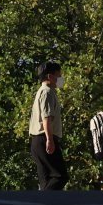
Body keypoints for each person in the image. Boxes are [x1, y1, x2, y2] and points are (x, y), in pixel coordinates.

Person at [28, 61, 68, 191]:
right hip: (44, 138)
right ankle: (46, 200)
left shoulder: (42, 92)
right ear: (50, 77)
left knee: (45, 180)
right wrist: (50, 140)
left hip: (37, 140)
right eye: (59, 76)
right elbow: (46, 118)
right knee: (60, 176)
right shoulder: (47, 92)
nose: (61, 79)